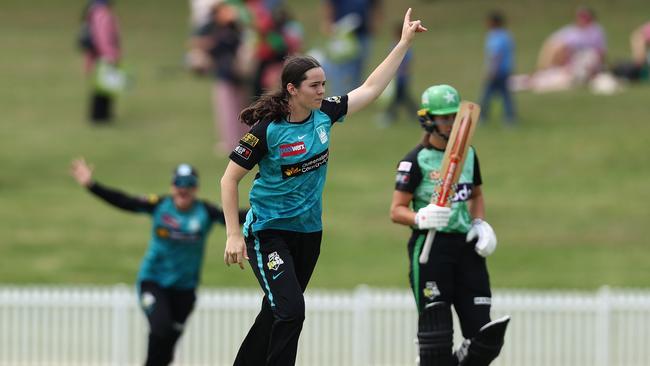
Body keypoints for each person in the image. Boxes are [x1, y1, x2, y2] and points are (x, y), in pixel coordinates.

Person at [220, 8, 426, 366]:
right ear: (292, 89)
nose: (322, 91)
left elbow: (372, 88)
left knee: (278, 311)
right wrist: (233, 235)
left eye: (323, 84)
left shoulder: (325, 114)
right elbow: (229, 179)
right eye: (314, 86)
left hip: (309, 233)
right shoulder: (268, 129)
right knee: (292, 311)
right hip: (269, 233)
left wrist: (403, 43)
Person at [70, 158, 246, 366]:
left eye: (188, 184)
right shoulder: (159, 205)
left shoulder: (205, 212)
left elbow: (239, 215)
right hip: (153, 282)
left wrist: (272, 207)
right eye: (179, 184)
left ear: (196, 188)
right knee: (160, 330)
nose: (183, 189)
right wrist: (92, 185)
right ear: (172, 186)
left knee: (167, 347)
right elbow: (125, 201)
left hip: (185, 290)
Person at [390, 85, 509, 365]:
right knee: (436, 345)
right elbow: (396, 210)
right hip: (431, 248)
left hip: (467, 248)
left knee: (484, 339)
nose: (449, 123)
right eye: (443, 117)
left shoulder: (469, 154)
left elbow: (476, 194)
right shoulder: (415, 159)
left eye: (453, 117)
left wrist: (479, 223)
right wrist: (420, 217)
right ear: (428, 119)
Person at [190, 1, 253, 155]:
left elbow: (244, 42)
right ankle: (231, 143)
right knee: (227, 109)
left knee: (243, 108)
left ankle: (249, 140)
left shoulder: (235, 25)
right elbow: (198, 44)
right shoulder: (210, 27)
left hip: (238, 74)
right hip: (223, 74)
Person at [321, 0, 382, 96]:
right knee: (341, 66)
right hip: (342, 33)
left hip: (363, 33)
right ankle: (337, 97)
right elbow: (329, 3)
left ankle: (356, 97)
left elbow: (375, 4)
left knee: (360, 66)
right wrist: (328, 21)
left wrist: (374, 21)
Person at [78, 0, 122, 123]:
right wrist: (110, 56)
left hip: (100, 56)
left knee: (106, 86)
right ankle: (99, 117)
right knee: (102, 88)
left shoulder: (96, 12)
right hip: (102, 57)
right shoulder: (101, 14)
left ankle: (104, 115)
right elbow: (102, 38)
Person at [377, 22, 418, 127]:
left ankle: (390, 116)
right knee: (402, 98)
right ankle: (416, 114)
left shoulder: (404, 47)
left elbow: (406, 63)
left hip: (400, 78)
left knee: (398, 98)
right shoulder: (395, 45)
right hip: (396, 78)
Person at [479, 11, 516, 126]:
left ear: (494, 22)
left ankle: (482, 118)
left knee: (486, 95)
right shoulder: (506, 35)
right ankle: (510, 118)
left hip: (497, 72)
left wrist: (492, 71)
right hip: (505, 70)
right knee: (506, 96)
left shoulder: (496, 36)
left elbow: (496, 55)